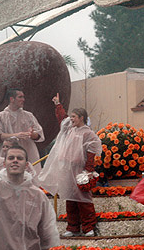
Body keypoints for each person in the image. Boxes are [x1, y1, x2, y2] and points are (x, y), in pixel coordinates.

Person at [38, 93, 102, 237]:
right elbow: (63, 118)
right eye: (71, 116)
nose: (71, 119)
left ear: (81, 118)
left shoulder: (88, 134)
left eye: (74, 117)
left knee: (84, 199)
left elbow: (91, 154)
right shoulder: (70, 129)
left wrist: (88, 172)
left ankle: (88, 228)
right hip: (67, 170)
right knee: (70, 198)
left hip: (80, 171)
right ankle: (72, 227)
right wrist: (57, 104)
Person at [0, 88, 45, 172]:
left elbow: (39, 135)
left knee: (30, 179)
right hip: (6, 157)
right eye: (20, 97)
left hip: (28, 155)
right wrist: (15, 135)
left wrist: (32, 134)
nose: (23, 100)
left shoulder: (29, 116)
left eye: (23, 97)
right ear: (12, 99)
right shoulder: (0, 116)